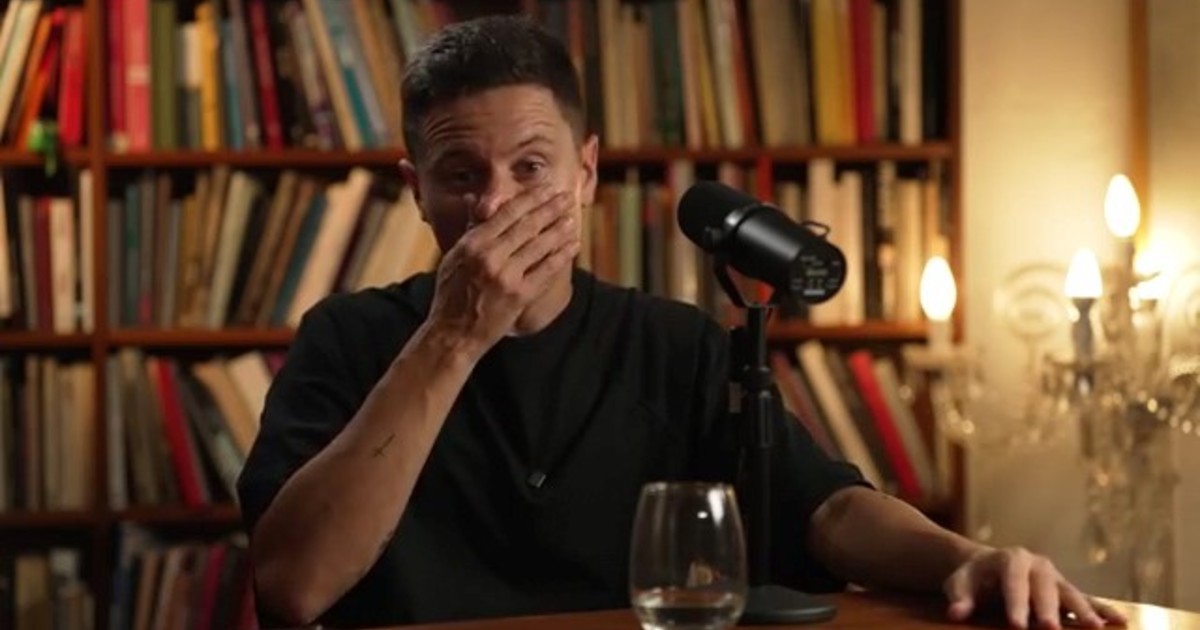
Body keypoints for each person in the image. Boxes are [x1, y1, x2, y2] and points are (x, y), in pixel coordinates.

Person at [235, 13, 1127, 630]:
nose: (496, 205)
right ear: (416, 191)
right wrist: (454, 336)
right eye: (461, 175)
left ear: (587, 174)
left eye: (531, 168)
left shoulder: (674, 344)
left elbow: (828, 508)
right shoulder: (346, 338)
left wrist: (963, 558)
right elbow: (293, 587)